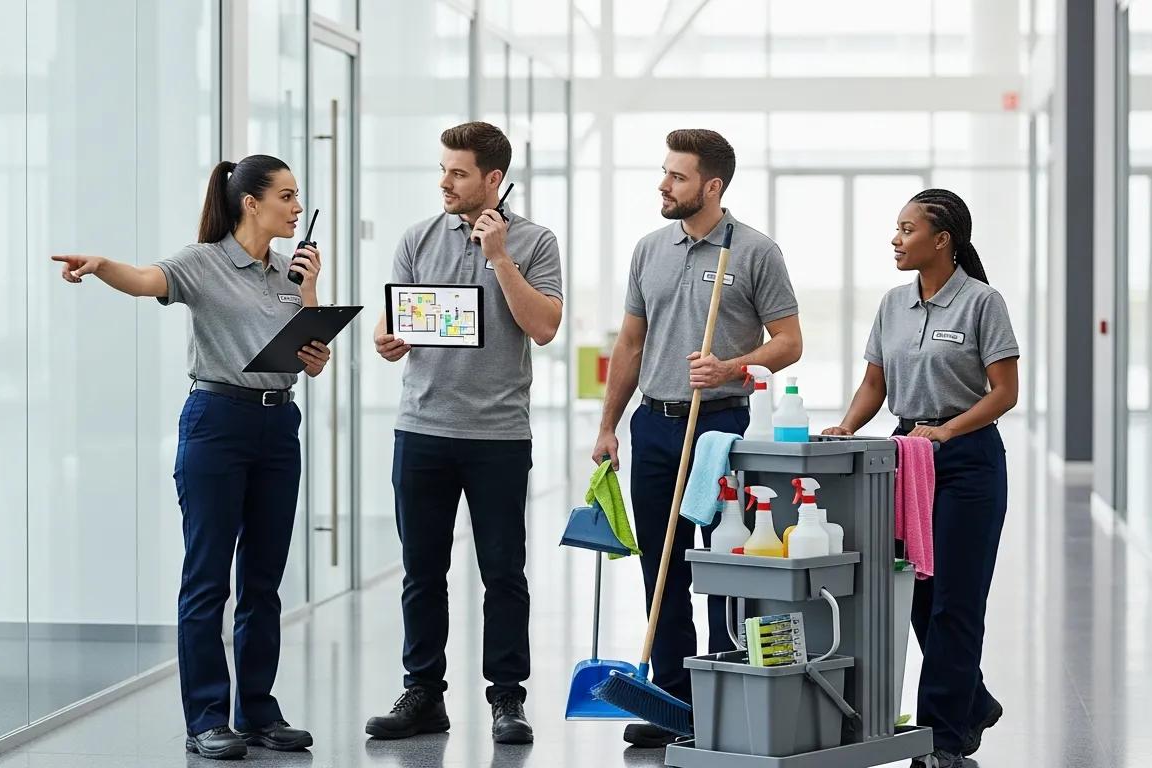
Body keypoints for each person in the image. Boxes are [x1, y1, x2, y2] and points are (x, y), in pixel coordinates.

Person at [51, 155, 325, 761]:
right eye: (286, 196)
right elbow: (147, 279)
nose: (296, 207)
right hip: (217, 424)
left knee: (264, 580)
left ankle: (257, 711)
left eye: (297, 196)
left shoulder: (286, 270)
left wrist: (309, 304)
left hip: (279, 424)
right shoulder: (203, 263)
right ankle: (206, 716)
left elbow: (305, 351)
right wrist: (100, 267)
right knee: (207, 577)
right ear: (250, 203)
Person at [592, 129, 802, 749]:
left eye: (677, 177)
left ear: (712, 186)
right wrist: (608, 424)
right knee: (661, 566)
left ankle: (724, 696)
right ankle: (673, 703)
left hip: (723, 427)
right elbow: (629, 345)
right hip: (654, 425)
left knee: (724, 565)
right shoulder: (649, 249)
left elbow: (788, 342)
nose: (664, 184)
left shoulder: (756, 252)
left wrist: (733, 367)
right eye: (664, 173)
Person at [365, 122, 562, 746]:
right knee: (421, 572)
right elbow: (390, 327)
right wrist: (387, 341)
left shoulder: (535, 242)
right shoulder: (417, 238)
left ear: (492, 179)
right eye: (443, 169)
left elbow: (544, 327)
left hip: (498, 436)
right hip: (421, 428)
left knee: (504, 572)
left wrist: (498, 256)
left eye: (458, 172)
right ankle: (423, 692)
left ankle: (507, 698)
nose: (444, 182)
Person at [822, 189, 1018, 768]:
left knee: (955, 602)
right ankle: (972, 700)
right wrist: (845, 425)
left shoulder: (983, 303)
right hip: (908, 460)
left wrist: (950, 431)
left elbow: (1005, 392)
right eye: (896, 229)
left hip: (968, 462)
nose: (896, 239)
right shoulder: (892, 304)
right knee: (918, 597)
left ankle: (942, 739)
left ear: (943, 240)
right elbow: (875, 385)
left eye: (907, 229)